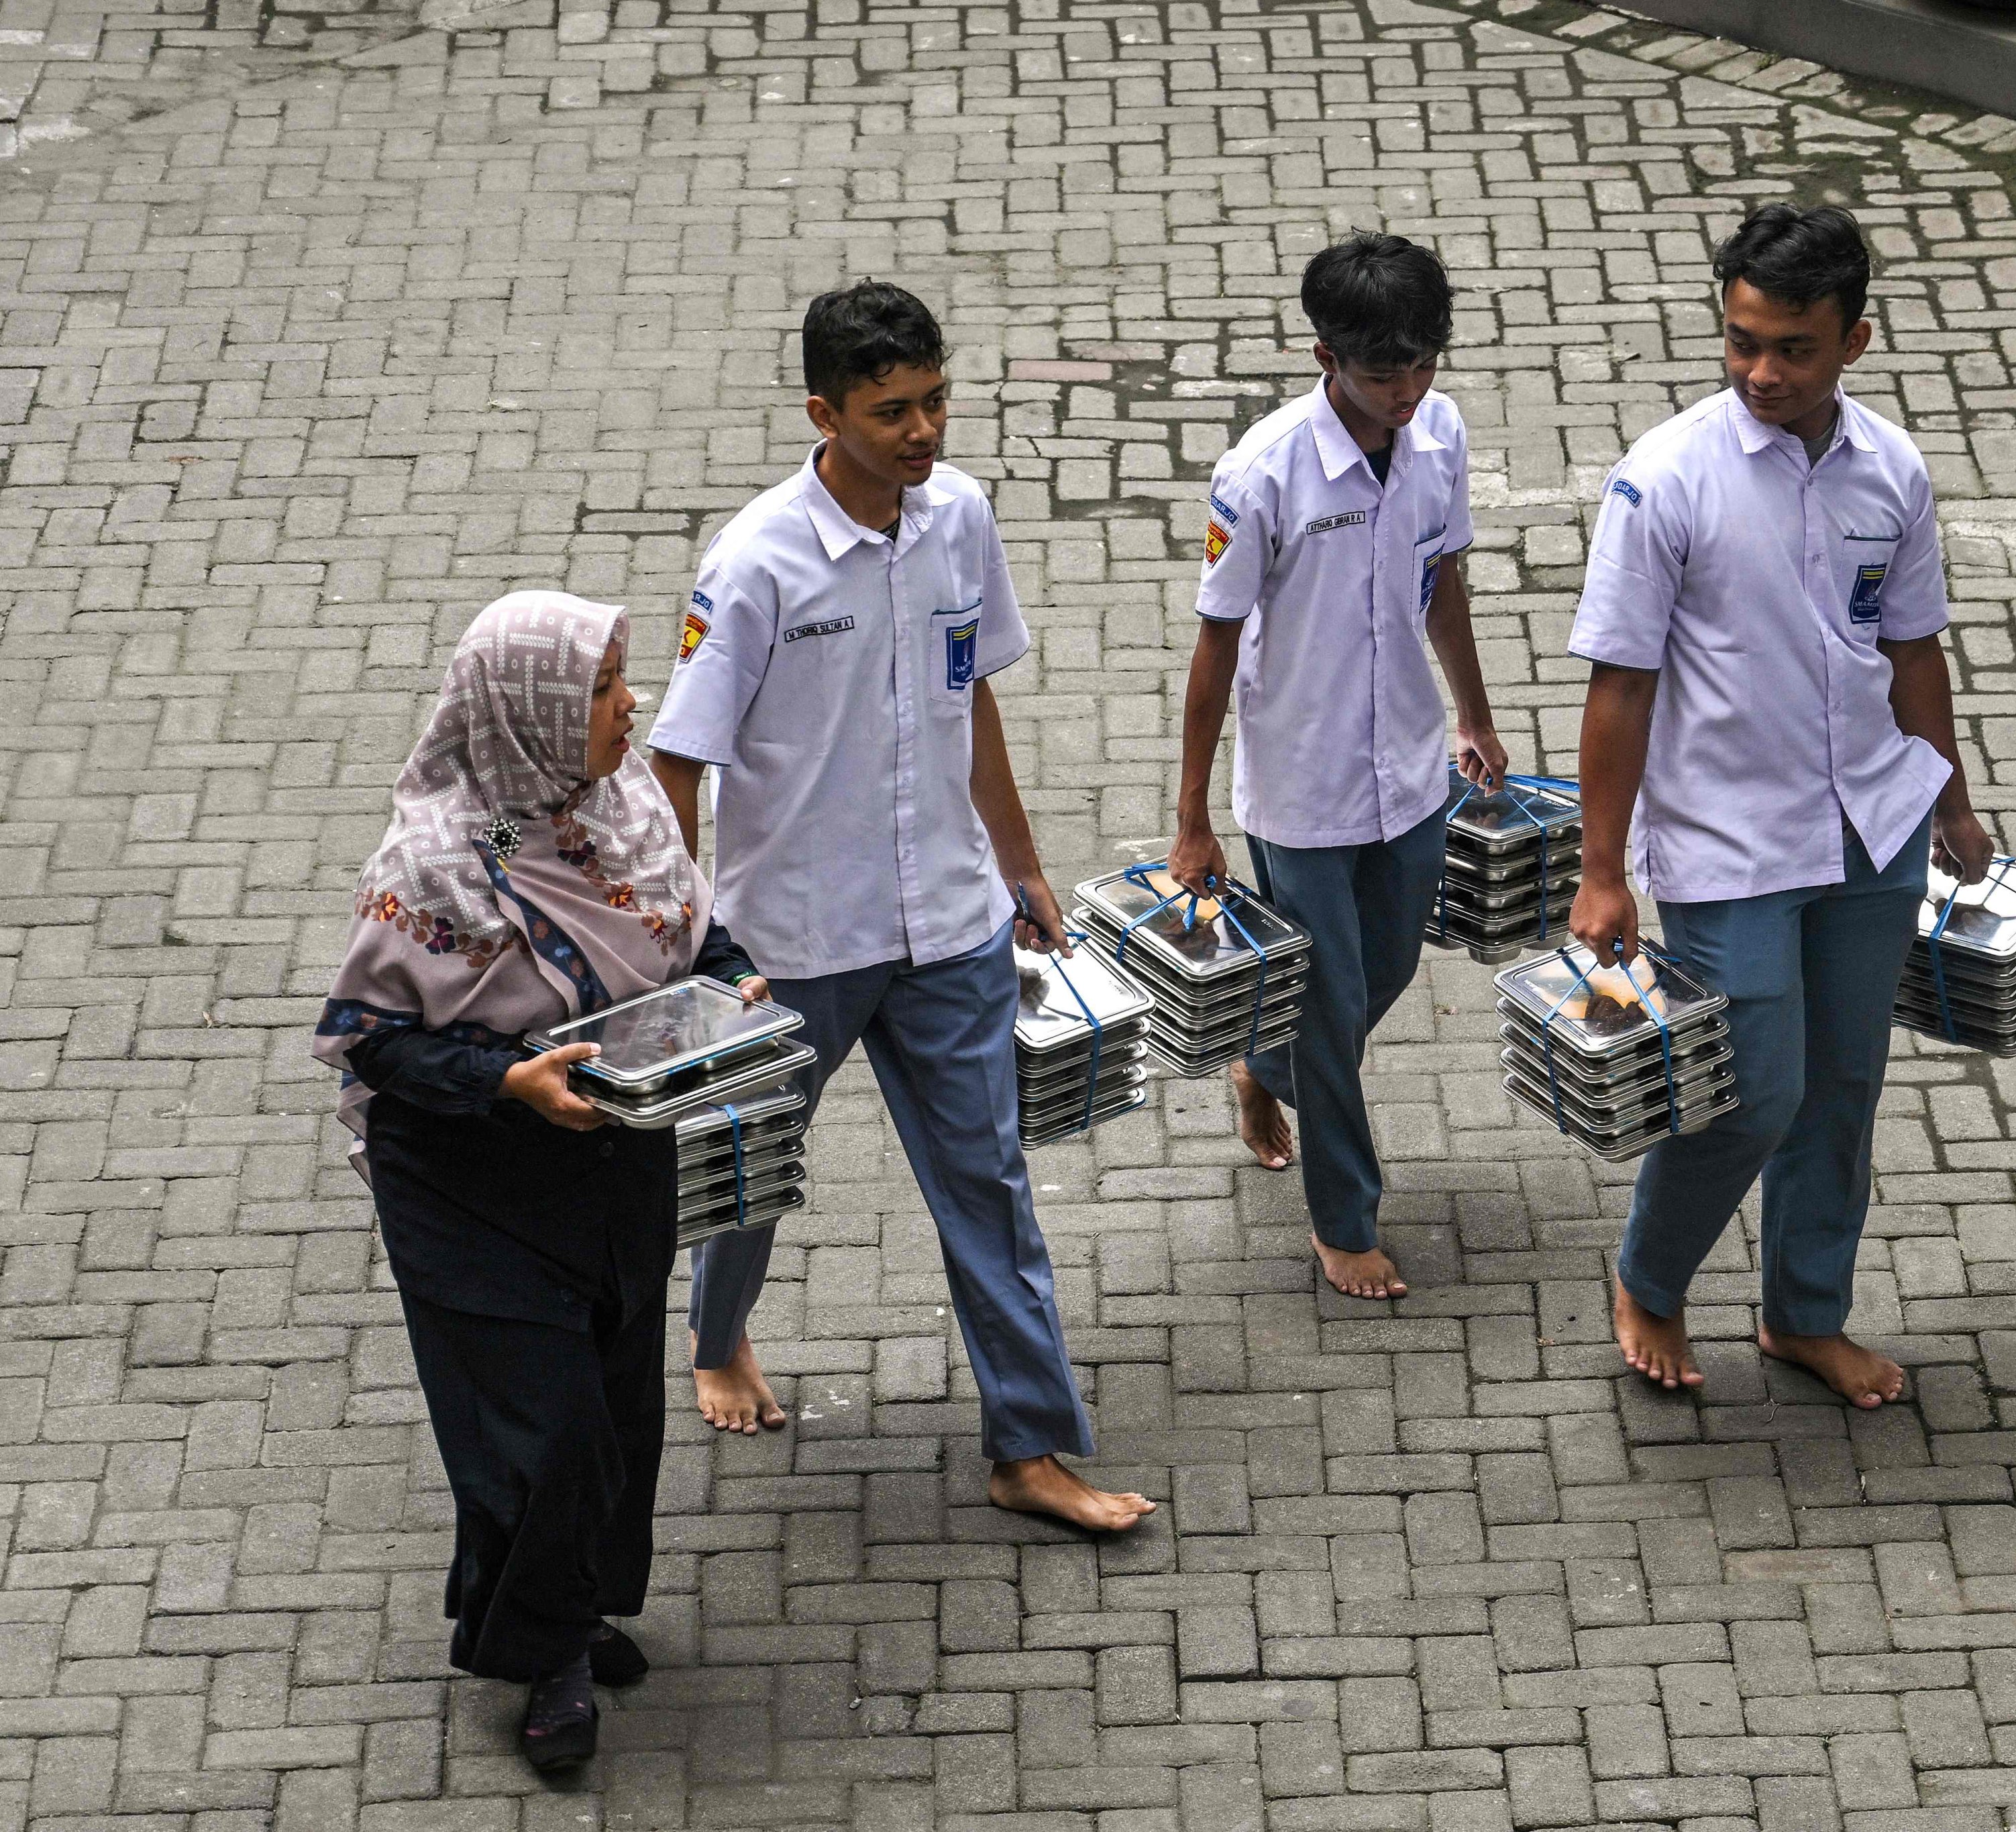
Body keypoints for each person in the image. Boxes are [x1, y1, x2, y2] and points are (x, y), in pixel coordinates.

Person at [645, 279, 1153, 1533]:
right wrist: (678, 939)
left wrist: (1020, 862)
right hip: (794, 942)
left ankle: (1030, 1446)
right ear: (824, 413)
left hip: (951, 921)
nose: (923, 434)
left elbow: (966, 691)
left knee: (990, 1185)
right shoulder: (754, 560)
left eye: (935, 403)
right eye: (891, 414)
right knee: (752, 1175)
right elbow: (675, 762)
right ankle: (718, 1337)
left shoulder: (960, 518)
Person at [313, 591, 772, 1772]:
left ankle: (573, 1606)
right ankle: (546, 1658)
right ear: (525, 718)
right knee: (543, 1431)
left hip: (615, 1167)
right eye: (604, 691)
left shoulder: (598, 816)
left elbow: (684, 931)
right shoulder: (444, 861)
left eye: (624, 681)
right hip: (475, 1186)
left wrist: (733, 976)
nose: (634, 710)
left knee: (617, 1412)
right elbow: (373, 1037)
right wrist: (511, 1078)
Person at [1567, 204, 1995, 1406]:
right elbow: (1621, 683)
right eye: (1741, 340)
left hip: (1873, 820)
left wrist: (1951, 799)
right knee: (1756, 1088)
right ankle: (1651, 1277)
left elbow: (1912, 650)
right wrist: (1604, 870)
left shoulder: (1892, 470)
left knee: (1844, 1084)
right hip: (1727, 838)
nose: (1760, 371)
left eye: (1792, 348)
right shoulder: (1664, 480)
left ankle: (1805, 1314)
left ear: (1854, 341)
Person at [1167, 232, 1508, 1302]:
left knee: (1388, 966)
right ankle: (1344, 1220)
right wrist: (1191, 819)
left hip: (1408, 766)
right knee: (1330, 1006)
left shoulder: (1439, 434)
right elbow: (1216, 645)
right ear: (1324, 355)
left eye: (1423, 364)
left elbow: (1441, 581)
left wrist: (1476, 718)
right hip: (1301, 784)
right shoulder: (1261, 473)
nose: (1407, 390)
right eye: (1381, 370)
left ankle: (1259, 1065)